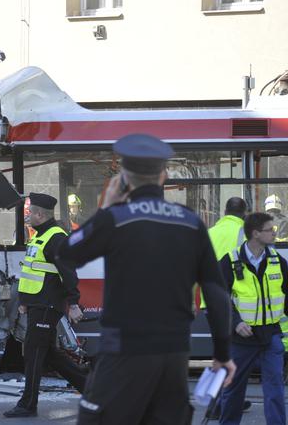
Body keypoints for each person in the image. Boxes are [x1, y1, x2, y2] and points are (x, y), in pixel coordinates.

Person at [57, 134, 236, 424]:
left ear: (124, 178)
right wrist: (223, 354)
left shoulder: (116, 217)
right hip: (174, 354)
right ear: (163, 175)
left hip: (124, 351)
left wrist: (106, 208)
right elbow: (217, 294)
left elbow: (67, 252)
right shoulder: (190, 221)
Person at [3, 192, 84, 418]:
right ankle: (93, 391)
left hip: (48, 305)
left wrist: (74, 303)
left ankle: (28, 405)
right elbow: (34, 272)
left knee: (33, 352)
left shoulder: (56, 237)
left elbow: (68, 272)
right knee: (48, 354)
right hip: (38, 304)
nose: (26, 216)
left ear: (40, 214)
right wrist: (25, 303)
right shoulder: (40, 235)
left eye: (30, 213)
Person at [218, 212, 288, 425]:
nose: (274, 233)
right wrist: (236, 323)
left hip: (271, 336)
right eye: (270, 230)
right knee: (233, 391)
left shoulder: (278, 261)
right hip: (242, 339)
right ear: (256, 234)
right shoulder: (230, 261)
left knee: (275, 390)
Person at [203, 197, 253, 419]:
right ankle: (221, 404)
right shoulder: (244, 233)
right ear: (244, 213)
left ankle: (225, 401)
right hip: (233, 303)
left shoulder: (211, 232)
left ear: (224, 211)